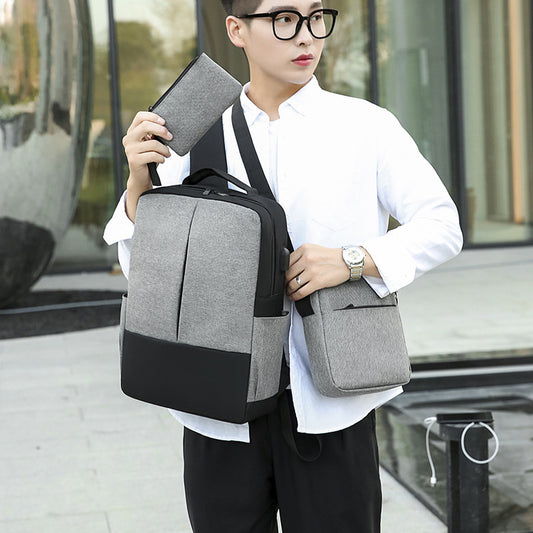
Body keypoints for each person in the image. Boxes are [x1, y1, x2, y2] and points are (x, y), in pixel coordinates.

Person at [104, 1, 463, 531]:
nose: (306, 35)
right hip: (217, 402)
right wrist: (139, 182)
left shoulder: (365, 126)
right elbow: (146, 269)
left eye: (316, 16)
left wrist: (352, 260)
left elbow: (442, 225)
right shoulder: (193, 131)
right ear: (237, 30)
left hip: (331, 397)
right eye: (283, 18)